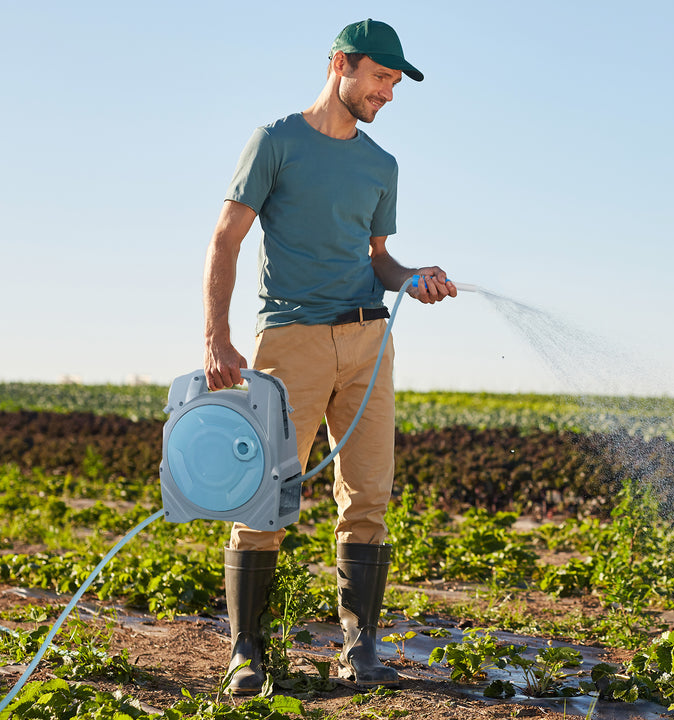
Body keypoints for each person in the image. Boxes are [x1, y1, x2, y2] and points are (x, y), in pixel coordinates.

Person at [202, 18, 457, 695]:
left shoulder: (381, 165)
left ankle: (360, 650)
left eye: (395, 84)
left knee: (368, 496)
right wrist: (216, 337)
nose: (388, 94)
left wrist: (414, 279)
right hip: (291, 340)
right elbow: (225, 240)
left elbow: (378, 260)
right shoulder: (276, 142)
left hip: (370, 341)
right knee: (264, 497)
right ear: (341, 64)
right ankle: (247, 654)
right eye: (380, 77)